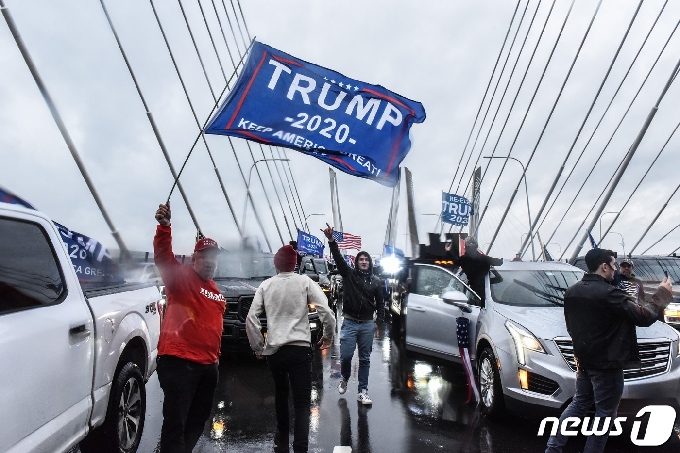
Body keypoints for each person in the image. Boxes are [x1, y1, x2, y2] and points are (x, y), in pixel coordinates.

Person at [545, 248, 673, 453]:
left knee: (579, 404)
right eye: (614, 266)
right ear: (604, 266)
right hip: (607, 363)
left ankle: (553, 448)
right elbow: (644, 317)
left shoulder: (573, 291)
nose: (616, 271)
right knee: (605, 414)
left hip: (585, 361)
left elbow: (571, 327)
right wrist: (662, 293)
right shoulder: (609, 293)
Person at [246, 244, 335, 453]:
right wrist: (327, 336)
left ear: (276, 264)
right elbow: (327, 312)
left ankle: (282, 437)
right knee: (302, 403)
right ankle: (300, 447)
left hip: (275, 351)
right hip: (300, 350)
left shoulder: (266, 286)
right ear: (295, 265)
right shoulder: (305, 282)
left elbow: (251, 319)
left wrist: (258, 346)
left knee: (281, 393)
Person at [153, 202, 226, 453]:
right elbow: (163, 257)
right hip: (179, 362)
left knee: (198, 419)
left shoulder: (216, 290)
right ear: (195, 258)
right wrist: (164, 228)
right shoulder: (181, 278)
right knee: (176, 421)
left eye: (213, 259)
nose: (209, 263)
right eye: (205, 258)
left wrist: (215, 358)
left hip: (208, 365)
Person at [321, 223, 385, 405]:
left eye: (366, 260)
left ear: (370, 263)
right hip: (349, 323)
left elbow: (381, 303)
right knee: (346, 356)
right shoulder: (349, 275)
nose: (364, 262)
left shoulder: (376, 281)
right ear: (356, 262)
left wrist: (377, 322)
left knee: (364, 359)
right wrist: (332, 240)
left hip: (366, 325)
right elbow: (339, 258)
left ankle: (363, 390)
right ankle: (345, 378)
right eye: (361, 259)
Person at [445, 236, 503, 303]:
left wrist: (448, 251)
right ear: (476, 246)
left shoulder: (463, 260)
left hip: (472, 295)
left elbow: (455, 260)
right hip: (487, 295)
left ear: (465, 247)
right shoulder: (485, 259)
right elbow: (499, 262)